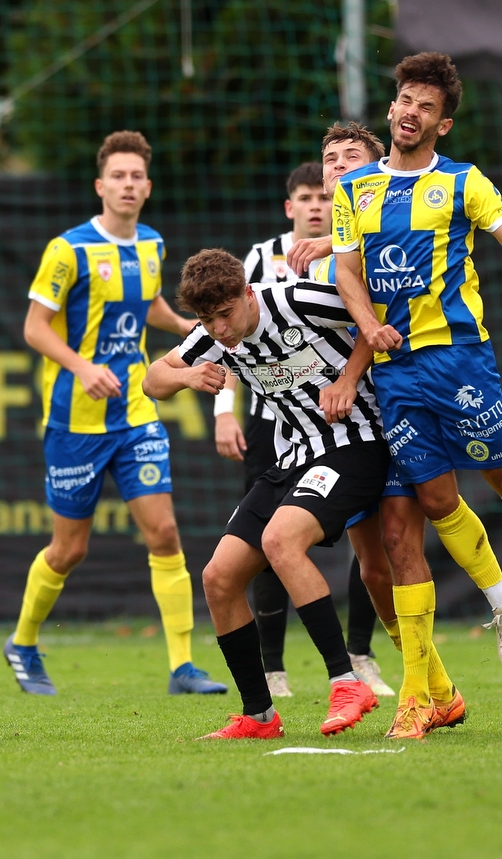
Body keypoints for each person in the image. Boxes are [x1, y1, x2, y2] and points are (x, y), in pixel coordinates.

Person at [331, 53, 502, 732]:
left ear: (441, 124)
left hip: (458, 362)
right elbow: (346, 269)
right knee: (434, 497)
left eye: (424, 105)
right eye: (403, 99)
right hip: (395, 374)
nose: (409, 111)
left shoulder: (462, 183)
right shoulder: (355, 188)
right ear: (391, 108)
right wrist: (368, 324)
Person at [143, 249, 431, 739]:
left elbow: (373, 318)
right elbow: (153, 378)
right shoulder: (211, 337)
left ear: (247, 294)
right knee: (218, 578)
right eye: (207, 320)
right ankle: (259, 715)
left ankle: (347, 682)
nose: (219, 330)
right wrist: (188, 375)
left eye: (226, 315)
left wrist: (347, 377)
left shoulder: (296, 300)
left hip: (355, 444)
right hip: (292, 459)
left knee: (283, 542)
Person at [3, 130, 227, 698]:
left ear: (147, 188)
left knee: (165, 532)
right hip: (75, 421)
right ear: (101, 186)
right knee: (69, 549)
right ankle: (23, 642)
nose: (128, 185)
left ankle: (182, 667)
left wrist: (177, 324)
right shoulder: (68, 249)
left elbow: (147, 299)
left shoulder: (150, 243)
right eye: (118, 177)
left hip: (134, 412)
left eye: (136, 177)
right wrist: (81, 367)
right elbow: (33, 328)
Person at [214, 161, 394, 698]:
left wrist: (346, 377)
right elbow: (211, 341)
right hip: (280, 432)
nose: (318, 202)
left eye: (327, 192)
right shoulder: (256, 269)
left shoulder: (351, 253)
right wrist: (222, 406)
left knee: (375, 554)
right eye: (306, 195)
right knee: (250, 555)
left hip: (351, 426)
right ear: (289, 206)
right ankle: (270, 675)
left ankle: (361, 660)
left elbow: (372, 317)